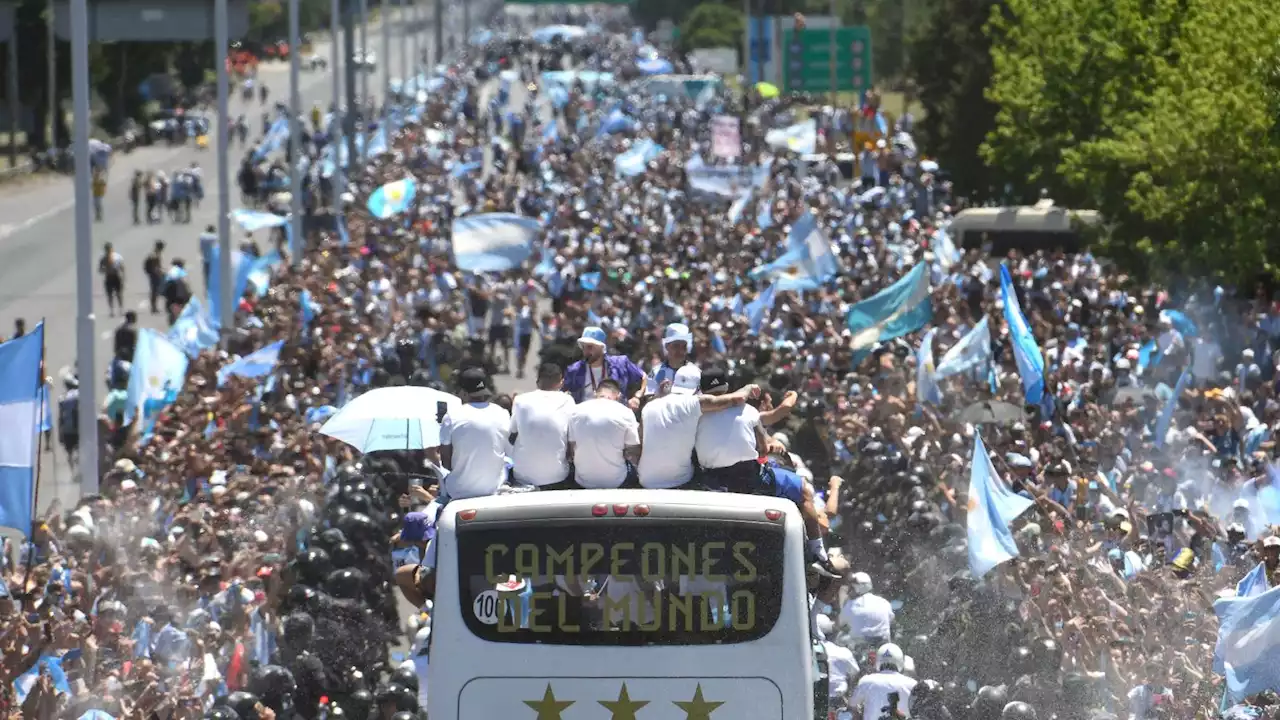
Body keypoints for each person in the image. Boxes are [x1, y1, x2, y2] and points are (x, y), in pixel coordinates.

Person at [637, 365, 760, 489]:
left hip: (646, 481)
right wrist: (748, 387)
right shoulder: (693, 403)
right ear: (699, 388)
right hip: (680, 481)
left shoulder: (648, 407)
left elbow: (639, 443)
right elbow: (737, 399)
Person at [431, 367, 510, 502]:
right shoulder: (503, 413)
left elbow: (446, 463)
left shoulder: (452, 416)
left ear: (463, 392)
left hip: (458, 492)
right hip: (494, 490)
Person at [693, 367, 769, 493]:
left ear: (702, 390)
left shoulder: (696, 415)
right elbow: (764, 449)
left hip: (713, 482)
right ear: (727, 387)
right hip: (748, 478)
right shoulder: (749, 410)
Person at [509, 363, 575, 489]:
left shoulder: (520, 400)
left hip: (522, 475)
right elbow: (572, 438)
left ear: (537, 381)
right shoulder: (568, 400)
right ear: (561, 383)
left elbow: (512, 432)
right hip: (557, 476)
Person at [567, 378, 641, 489]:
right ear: (619, 395)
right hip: (617, 481)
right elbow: (633, 450)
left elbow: (571, 447)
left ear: (595, 392)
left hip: (583, 480)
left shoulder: (576, 410)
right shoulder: (625, 412)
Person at [562, 326, 646, 406]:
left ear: (601, 348)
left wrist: (636, 397)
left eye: (590, 347)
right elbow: (564, 392)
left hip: (615, 413)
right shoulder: (574, 370)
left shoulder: (620, 363)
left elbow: (643, 377)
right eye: (583, 347)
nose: (586, 351)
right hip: (585, 415)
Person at [849, 643, 916, 720]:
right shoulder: (912, 684)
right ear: (900, 660)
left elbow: (852, 707)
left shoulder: (866, 681)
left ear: (878, 660)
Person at [839, 572, 895, 651]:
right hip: (883, 647)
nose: (850, 590)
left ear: (858, 587)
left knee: (840, 640)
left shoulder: (850, 604)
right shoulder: (884, 602)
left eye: (852, 587)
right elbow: (890, 620)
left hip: (859, 649)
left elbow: (840, 623)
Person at [647, 322, 697, 396]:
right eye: (676, 346)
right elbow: (648, 400)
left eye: (683, 347)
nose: (680, 351)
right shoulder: (655, 372)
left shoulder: (695, 372)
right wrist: (659, 395)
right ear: (667, 346)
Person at [99, 242, 126, 317]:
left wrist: (123, 277)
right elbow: (100, 269)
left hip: (117, 276)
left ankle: (121, 309)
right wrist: (105, 269)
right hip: (108, 277)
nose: (108, 250)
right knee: (110, 295)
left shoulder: (117, 257)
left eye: (109, 248)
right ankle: (111, 310)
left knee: (119, 294)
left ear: (112, 248)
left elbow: (122, 267)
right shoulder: (103, 258)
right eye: (106, 249)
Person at [144, 240, 166, 314]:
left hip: (153, 274)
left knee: (155, 291)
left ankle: (154, 307)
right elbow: (155, 267)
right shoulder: (155, 255)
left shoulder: (155, 254)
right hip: (154, 275)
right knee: (154, 291)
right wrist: (160, 273)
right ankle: (153, 307)